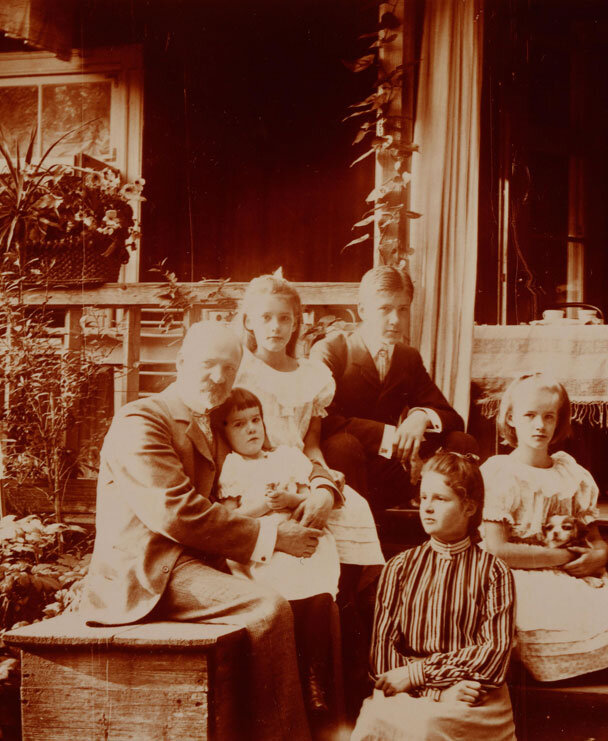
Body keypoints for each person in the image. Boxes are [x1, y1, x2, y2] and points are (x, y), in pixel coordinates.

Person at [81, 320, 327, 741]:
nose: (219, 378)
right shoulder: (141, 420)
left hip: (195, 563)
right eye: (208, 365)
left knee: (310, 598)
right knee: (267, 609)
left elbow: (268, 466)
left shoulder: (208, 424)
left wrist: (319, 484)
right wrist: (271, 538)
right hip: (147, 573)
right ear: (180, 362)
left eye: (229, 369)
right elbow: (177, 513)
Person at [480, 372, 608, 682]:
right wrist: (563, 558)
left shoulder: (571, 474)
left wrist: (600, 556)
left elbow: (595, 538)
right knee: (547, 618)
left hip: (571, 573)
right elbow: (497, 549)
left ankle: (588, 666)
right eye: (530, 415)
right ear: (510, 417)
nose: (539, 425)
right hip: (519, 574)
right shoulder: (500, 473)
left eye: (549, 416)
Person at [350, 451, 517, 741]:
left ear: (469, 507)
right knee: (376, 720)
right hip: (406, 690)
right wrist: (433, 690)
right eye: (423, 498)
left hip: (472, 694)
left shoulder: (494, 571)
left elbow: (493, 655)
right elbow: (382, 656)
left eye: (440, 499)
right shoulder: (399, 567)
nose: (427, 508)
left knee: (426, 727)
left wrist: (420, 675)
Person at [211, 387, 345, 736]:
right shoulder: (233, 466)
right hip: (264, 544)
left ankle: (315, 681)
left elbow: (312, 498)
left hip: (301, 531)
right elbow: (232, 517)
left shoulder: (285, 456)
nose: (252, 429)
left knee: (318, 595)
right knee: (284, 594)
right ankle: (294, 682)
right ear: (224, 432)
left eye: (256, 420)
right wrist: (267, 506)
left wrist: (291, 497)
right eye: (239, 424)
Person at [234, 273, 384, 566]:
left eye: (284, 318)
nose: (275, 327)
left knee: (355, 508)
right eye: (265, 317)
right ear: (249, 321)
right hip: (253, 470)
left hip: (300, 469)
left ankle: (348, 598)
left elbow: (310, 443)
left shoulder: (312, 375)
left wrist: (324, 474)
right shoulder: (242, 370)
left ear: (295, 323)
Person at [310, 265, 479, 515]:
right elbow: (325, 421)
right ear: (363, 310)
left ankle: (453, 533)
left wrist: (420, 417)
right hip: (351, 466)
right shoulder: (332, 351)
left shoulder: (407, 357)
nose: (395, 320)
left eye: (403, 309)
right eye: (385, 309)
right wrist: (393, 436)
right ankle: (361, 536)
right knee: (342, 445)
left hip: (397, 468)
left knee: (461, 442)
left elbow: (452, 417)